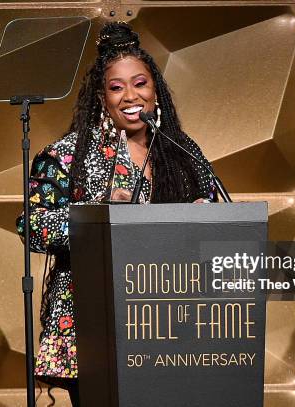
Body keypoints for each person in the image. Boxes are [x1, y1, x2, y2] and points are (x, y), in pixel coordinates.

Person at [16, 21, 219, 406]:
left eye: (140, 83)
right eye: (116, 86)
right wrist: (98, 216)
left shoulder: (182, 151)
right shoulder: (69, 154)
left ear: (156, 91)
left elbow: (216, 210)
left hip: (168, 319)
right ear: (102, 97)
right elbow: (34, 225)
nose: (131, 95)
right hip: (94, 320)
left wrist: (200, 215)